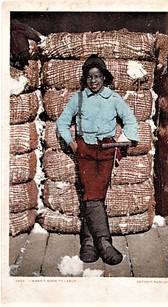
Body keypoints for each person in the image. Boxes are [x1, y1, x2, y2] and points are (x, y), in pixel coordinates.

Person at [56, 54, 139, 265]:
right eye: (90, 77)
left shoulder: (113, 99)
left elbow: (130, 121)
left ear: (104, 78)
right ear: (86, 79)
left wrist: (123, 141)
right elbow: (62, 123)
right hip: (85, 151)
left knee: (94, 196)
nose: (94, 81)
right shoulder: (79, 98)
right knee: (93, 195)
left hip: (106, 151)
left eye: (98, 76)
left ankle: (89, 242)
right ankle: (104, 242)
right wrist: (73, 144)